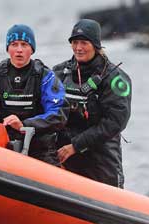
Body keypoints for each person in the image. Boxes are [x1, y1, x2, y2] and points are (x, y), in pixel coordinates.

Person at [0, 24, 67, 165]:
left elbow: (58, 114)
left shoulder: (45, 76)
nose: (19, 50)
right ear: (8, 48)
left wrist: (24, 124)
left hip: (40, 150)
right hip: (4, 146)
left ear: (32, 49)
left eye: (24, 45)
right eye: (14, 44)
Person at [53, 19, 132, 188]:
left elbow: (115, 122)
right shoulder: (59, 72)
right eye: (75, 42)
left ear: (96, 45)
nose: (78, 48)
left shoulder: (115, 79)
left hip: (100, 163)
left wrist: (75, 146)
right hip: (63, 158)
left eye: (84, 42)